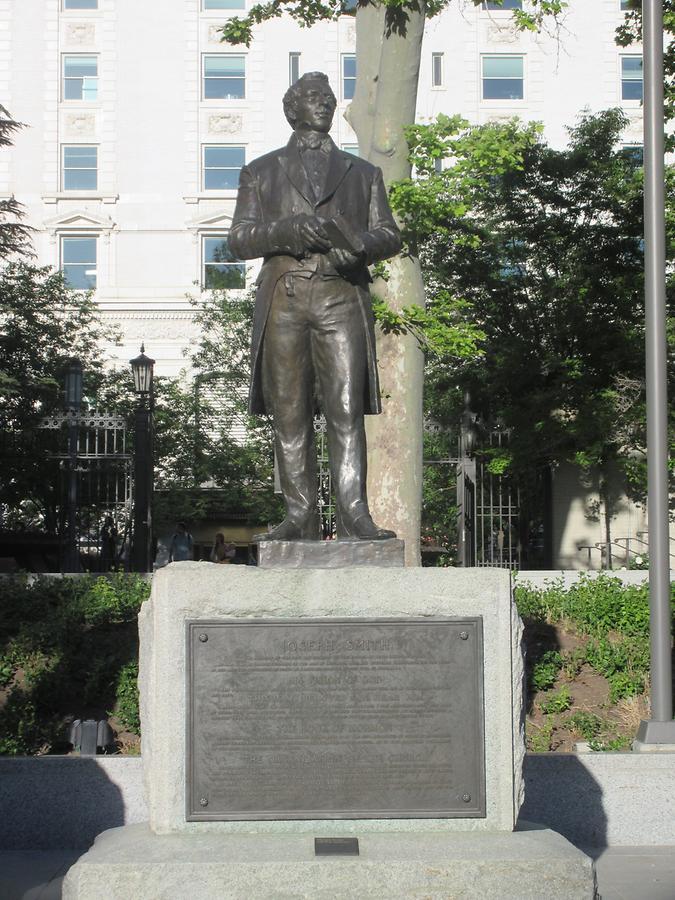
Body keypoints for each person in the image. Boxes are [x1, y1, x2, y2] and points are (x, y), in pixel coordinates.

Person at [229, 72, 401, 542]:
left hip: (340, 298)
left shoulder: (362, 172)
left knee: (345, 411)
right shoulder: (260, 171)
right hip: (285, 301)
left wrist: (361, 246)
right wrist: (284, 232)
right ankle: (299, 516)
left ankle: (354, 516)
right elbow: (238, 239)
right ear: (292, 108)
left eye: (328, 97)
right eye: (312, 97)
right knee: (290, 414)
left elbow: (389, 233)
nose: (323, 103)